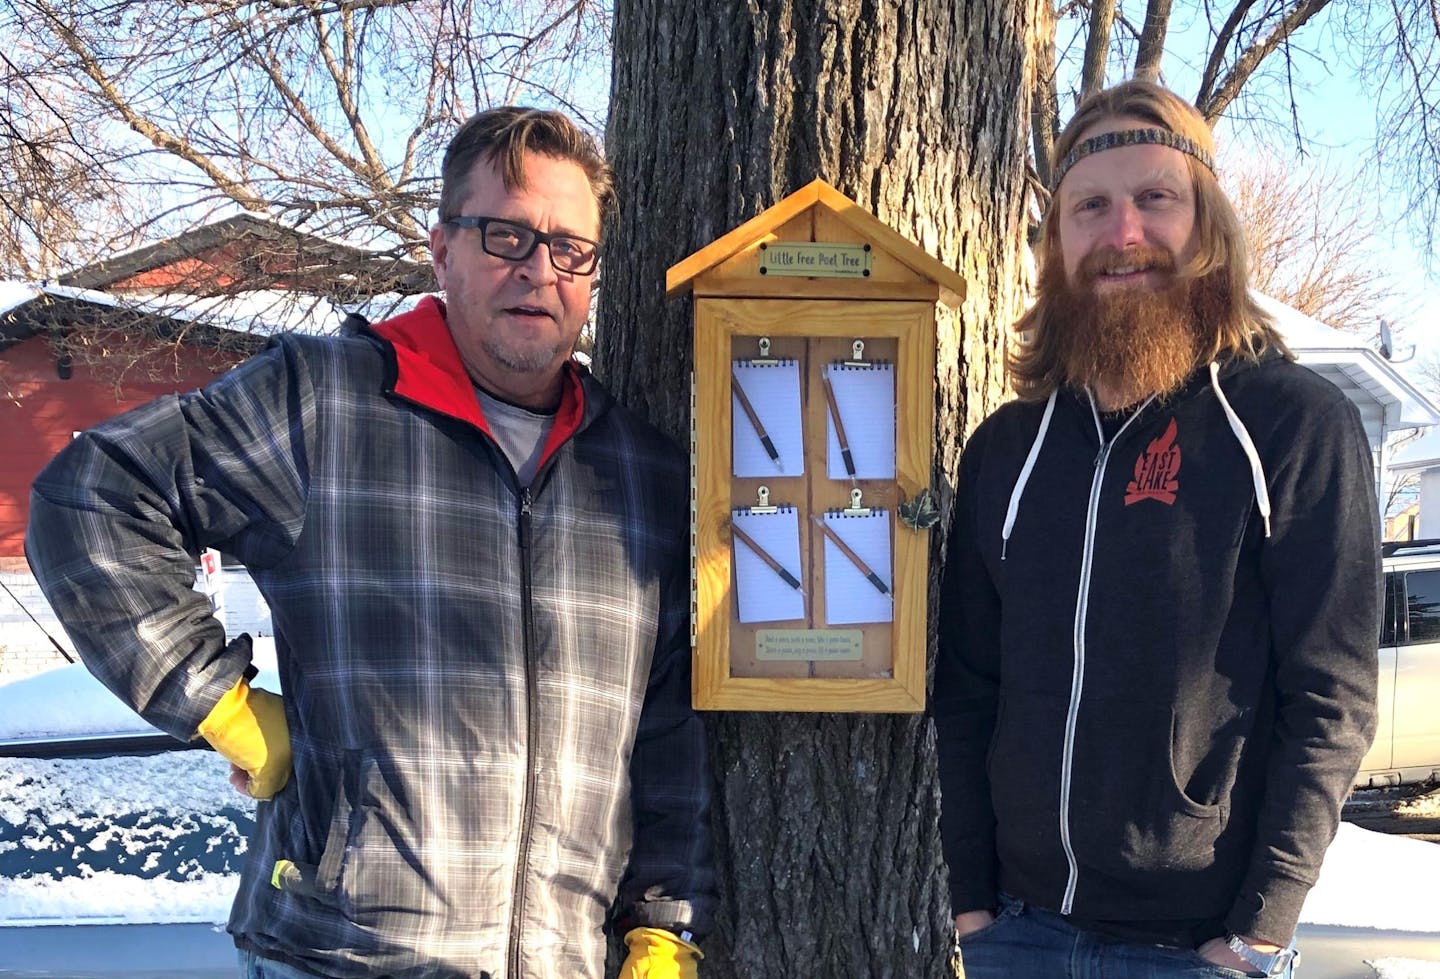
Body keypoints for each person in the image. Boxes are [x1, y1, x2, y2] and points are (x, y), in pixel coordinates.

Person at [26, 106, 714, 979]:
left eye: (569, 249)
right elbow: (91, 497)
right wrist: (220, 706)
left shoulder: (638, 472)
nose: (539, 269)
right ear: (441, 248)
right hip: (342, 953)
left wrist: (663, 922)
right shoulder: (326, 403)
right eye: (506, 235)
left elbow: (665, 727)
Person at [932, 79, 1380, 978]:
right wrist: (973, 904)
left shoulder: (1291, 424)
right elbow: (968, 690)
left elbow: (1331, 699)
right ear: (1057, 243)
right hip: (1018, 932)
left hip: (1198, 949)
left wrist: (1258, 929)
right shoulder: (1006, 450)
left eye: (1154, 198)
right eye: (1090, 206)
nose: (1122, 232)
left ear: (1207, 225)